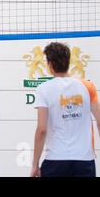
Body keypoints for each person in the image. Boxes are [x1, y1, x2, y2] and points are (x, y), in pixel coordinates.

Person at [30, 42, 100, 177]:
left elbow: (42, 129)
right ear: (69, 62)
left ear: (49, 65)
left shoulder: (43, 89)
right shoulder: (88, 86)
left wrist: (35, 164)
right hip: (84, 160)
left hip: (56, 159)